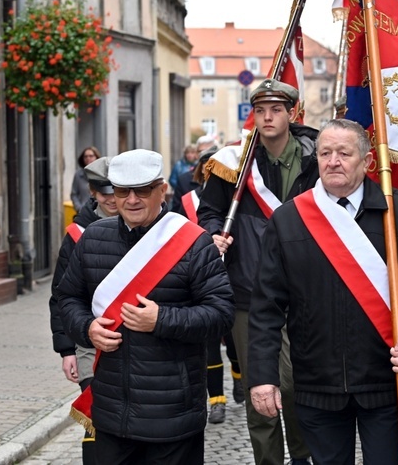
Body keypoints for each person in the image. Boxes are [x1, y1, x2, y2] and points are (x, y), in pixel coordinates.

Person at [248, 119, 398, 464]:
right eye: (325, 153)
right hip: (315, 383)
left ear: (367, 161)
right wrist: (263, 376)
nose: (333, 161)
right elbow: (266, 305)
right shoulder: (290, 219)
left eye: (344, 153)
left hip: (384, 380)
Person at [57, 149, 234, 464]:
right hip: (111, 412)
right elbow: (68, 298)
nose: (132, 199)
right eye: (123, 191)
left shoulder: (194, 243)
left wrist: (161, 319)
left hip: (173, 416)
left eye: (143, 190)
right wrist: (87, 328)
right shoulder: (94, 237)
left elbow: (221, 315)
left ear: (161, 190)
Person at [198, 78, 316, 465]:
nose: (267, 117)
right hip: (249, 290)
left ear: (291, 112)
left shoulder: (318, 156)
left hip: (309, 290)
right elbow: (209, 213)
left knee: (300, 386)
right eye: (260, 110)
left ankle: (302, 458)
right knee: (259, 391)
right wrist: (213, 234)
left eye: (276, 110)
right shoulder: (233, 163)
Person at [49, 156, 117, 463]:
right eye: (105, 192)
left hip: (138, 339)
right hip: (90, 343)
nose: (113, 198)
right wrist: (66, 350)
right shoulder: (77, 235)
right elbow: (61, 296)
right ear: (92, 192)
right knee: (96, 417)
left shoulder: (147, 225)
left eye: (117, 190)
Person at [174, 144, 245, 424]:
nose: (209, 170)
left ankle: (240, 377)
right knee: (210, 343)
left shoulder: (235, 200)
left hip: (233, 274)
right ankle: (217, 400)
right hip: (200, 278)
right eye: (206, 165)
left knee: (236, 341)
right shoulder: (187, 200)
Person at [71, 146, 101, 212]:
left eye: (91, 156)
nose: (88, 158)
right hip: (83, 212)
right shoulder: (78, 174)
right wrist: (78, 207)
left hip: (99, 213)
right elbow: (74, 194)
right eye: (85, 156)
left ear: (96, 157)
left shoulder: (102, 174)